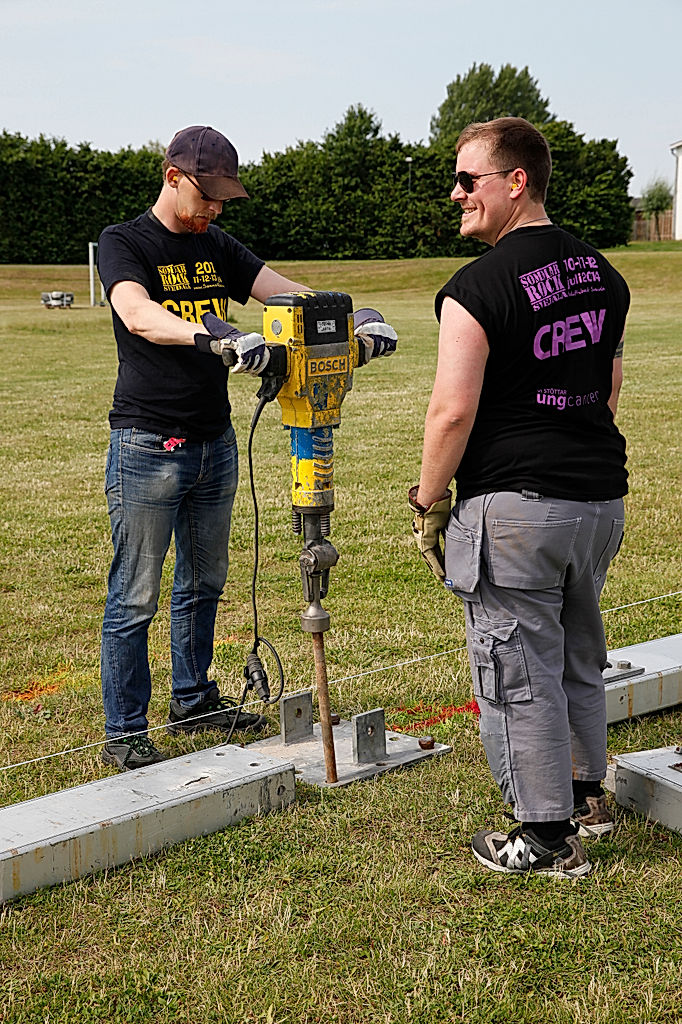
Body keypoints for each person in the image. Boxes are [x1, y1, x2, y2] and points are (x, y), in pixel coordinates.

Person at [98, 125, 397, 771]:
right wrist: (215, 337)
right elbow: (136, 313)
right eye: (207, 195)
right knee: (136, 593)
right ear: (172, 176)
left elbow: (280, 289)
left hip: (214, 441)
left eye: (224, 199)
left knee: (204, 582)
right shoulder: (127, 242)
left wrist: (352, 316)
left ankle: (193, 699)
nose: (215, 209)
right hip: (149, 442)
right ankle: (123, 731)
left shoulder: (215, 244)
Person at [409, 117, 629, 877]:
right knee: (575, 652)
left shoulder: (475, 288)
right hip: (598, 501)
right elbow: (610, 383)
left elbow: (452, 411)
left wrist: (428, 498)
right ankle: (585, 799)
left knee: (516, 667)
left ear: (516, 182)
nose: (457, 192)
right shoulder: (603, 272)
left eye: (469, 180)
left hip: (515, 507)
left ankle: (543, 838)